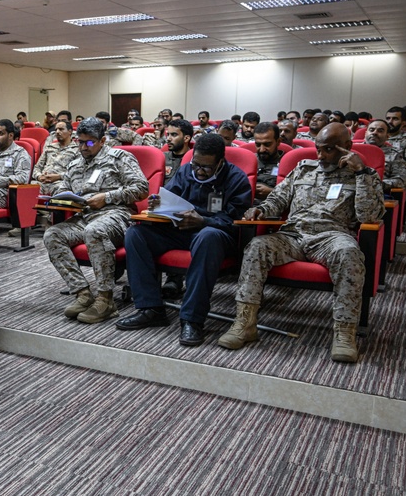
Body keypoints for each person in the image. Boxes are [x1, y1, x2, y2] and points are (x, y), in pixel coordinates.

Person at [219, 123, 385, 363]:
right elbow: (278, 198)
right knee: (257, 247)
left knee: (350, 254)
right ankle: (245, 323)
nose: (320, 155)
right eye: (318, 148)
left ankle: (345, 334)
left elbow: (369, 217)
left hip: (332, 238)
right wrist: (261, 210)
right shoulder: (304, 169)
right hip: (293, 236)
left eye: (328, 149)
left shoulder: (364, 176)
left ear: (347, 147)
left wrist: (360, 173)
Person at [116, 134, 251, 345]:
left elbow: (236, 221)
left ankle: (192, 320)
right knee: (136, 234)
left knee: (207, 237)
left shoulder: (237, 179)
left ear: (220, 163)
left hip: (215, 235)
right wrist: (158, 205)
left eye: (205, 168)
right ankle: (151, 308)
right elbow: (169, 198)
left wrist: (204, 221)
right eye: (195, 164)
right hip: (180, 231)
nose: (198, 171)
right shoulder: (186, 170)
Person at [42, 118, 148, 324]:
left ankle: (106, 299)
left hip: (117, 214)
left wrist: (107, 197)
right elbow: (62, 188)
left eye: (89, 142)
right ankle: (83, 293)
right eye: (79, 142)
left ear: (102, 140)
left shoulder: (120, 158)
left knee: (94, 231)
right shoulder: (74, 164)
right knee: (52, 234)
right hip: (85, 215)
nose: (83, 147)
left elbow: (141, 188)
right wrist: (61, 198)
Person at [32, 119, 78, 196]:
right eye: (56, 129)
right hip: (42, 182)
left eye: (61, 129)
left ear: (70, 132)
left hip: (60, 182)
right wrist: (39, 176)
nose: (57, 132)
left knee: (63, 191)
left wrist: (58, 176)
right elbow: (37, 167)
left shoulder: (77, 150)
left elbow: (76, 173)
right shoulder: (49, 147)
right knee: (26, 189)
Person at [363, 120, 406, 193]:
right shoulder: (352, 150)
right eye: (371, 130)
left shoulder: (395, 154)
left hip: (378, 193)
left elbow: (401, 179)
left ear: (387, 136)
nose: (374, 133)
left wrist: (377, 184)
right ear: (365, 133)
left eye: (380, 131)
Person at [252, 122, 284, 203]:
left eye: (267, 144)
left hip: (274, 207)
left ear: (278, 142)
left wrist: (272, 192)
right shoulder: (248, 160)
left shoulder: (287, 163)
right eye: (258, 145)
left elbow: (297, 194)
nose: (262, 149)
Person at [163, 119, 193, 184]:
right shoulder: (162, 157)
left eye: (174, 135)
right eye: (168, 134)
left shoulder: (194, 160)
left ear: (186, 138)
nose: (168, 139)